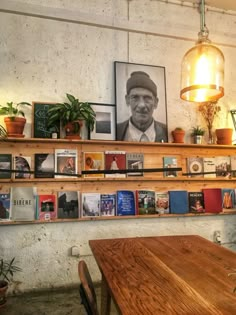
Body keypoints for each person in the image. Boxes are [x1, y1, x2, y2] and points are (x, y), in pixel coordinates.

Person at [117, 71, 167, 142]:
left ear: (156, 102)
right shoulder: (117, 130)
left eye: (147, 98)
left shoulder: (166, 131)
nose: (141, 105)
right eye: (135, 97)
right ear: (127, 100)